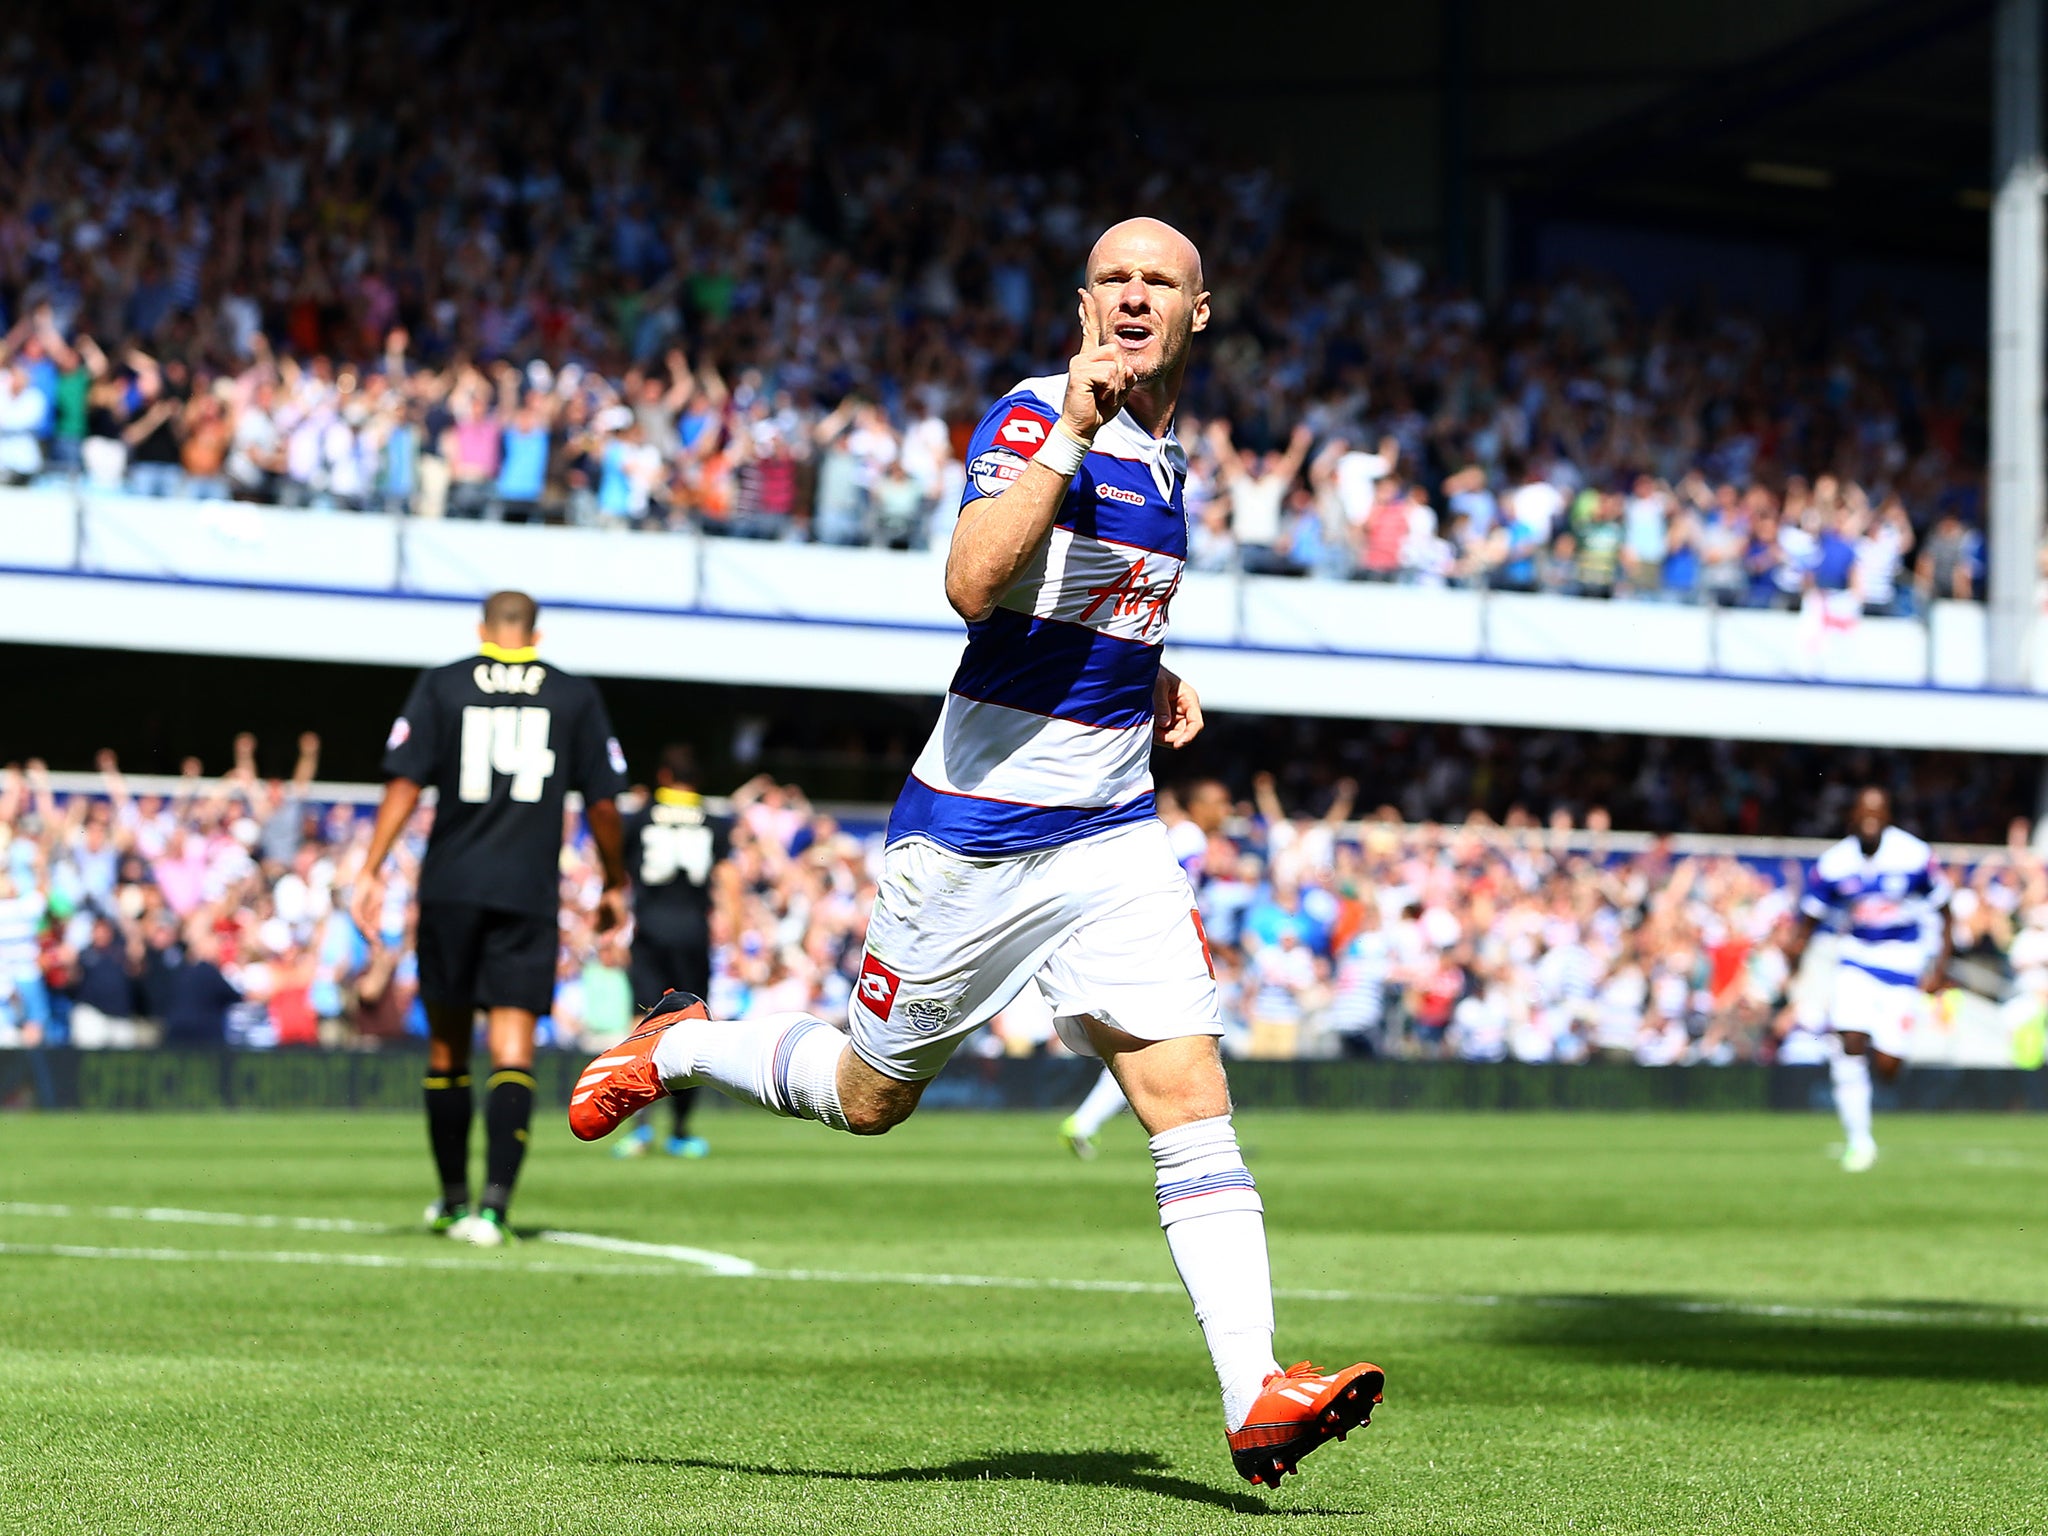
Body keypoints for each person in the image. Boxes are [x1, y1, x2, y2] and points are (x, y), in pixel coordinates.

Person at [568, 218, 1381, 1489]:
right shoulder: (1031, 416)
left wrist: (1151, 673)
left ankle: (1255, 1394)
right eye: (1110, 278)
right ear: (1079, 302)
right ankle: (673, 1044)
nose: (1129, 297)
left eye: (1155, 282)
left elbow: (1072, 601)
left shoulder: (1171, 458)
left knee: (1188, 1101)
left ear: (1196, 314)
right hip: (977, 840)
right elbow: (970, 580)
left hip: (1110, 838)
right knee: (867, 1096)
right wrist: (1067, 425)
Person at [352, 590, 630, 1245]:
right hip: (525, 893)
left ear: (483, 629)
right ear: (536, 632)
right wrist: (615, 881)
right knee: (512, 1047)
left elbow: (403, 782)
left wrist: (370, 868)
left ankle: (451, 1200)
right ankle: (495, 1209)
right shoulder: (571, 694)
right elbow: (605, 805)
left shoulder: (444, 683)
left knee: (447, 1045)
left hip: (450, 887)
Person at [1781, 787, 1952, 1172]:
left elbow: (1945, 910)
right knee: (1850, 1041)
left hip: (1903, 963)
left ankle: (1884, 1054)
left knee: (1888, 1065)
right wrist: (1795, 955)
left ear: (1889, 815)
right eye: (1864, 811)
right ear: (1853, 817)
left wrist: (1940, 966)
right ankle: (1860, 1142)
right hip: (1857, 959)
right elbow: (1810, 917)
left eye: (1878, 811)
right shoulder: (1835, 863)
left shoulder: (1914, 856)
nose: (1870, 818)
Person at [1061, 777, 1230, 1158]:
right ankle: (1089, 1122)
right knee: (1160, 1038)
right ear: (1198, 805)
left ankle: (1086, 1121)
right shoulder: (1190, 838)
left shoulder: (1186, 836)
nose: (1226, 811)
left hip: (1160, 941)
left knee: (1147, 1038)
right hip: (1160, 944)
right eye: (1220, 802)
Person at [615, 744, 728, 1159]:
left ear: (663, 776)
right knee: (692, 1025)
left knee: (642, 1023)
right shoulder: (714, 822)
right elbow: (726, 877)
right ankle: (680, 1130)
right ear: (696, 780)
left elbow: (620, 863)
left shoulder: (641, 816)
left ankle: (640, 1129)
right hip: (693, 935)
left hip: (650, 932)